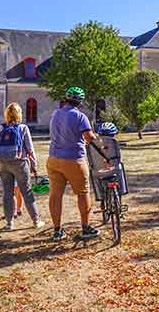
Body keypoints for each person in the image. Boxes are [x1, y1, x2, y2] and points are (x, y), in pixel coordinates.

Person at [47, 86, 100, 241]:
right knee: (83, 193)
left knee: (55, 195)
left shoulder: (55, 113)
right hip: (73, 159)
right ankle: (86, 228)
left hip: (53, 159)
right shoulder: (80, 116)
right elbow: (89, 137)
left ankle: (57, 231)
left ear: (66, 99)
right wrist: (98, 140)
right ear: (80, 102)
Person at [0, 102, 45, 231]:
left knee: (8, 192)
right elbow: (30, 149)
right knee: (26, 192)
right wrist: (34, 165)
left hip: (2, 162)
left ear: (6, 114)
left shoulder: (0, 128)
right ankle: (36, 221)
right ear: (19, 114)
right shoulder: (23, 128)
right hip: (19, 162)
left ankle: (9, 223)